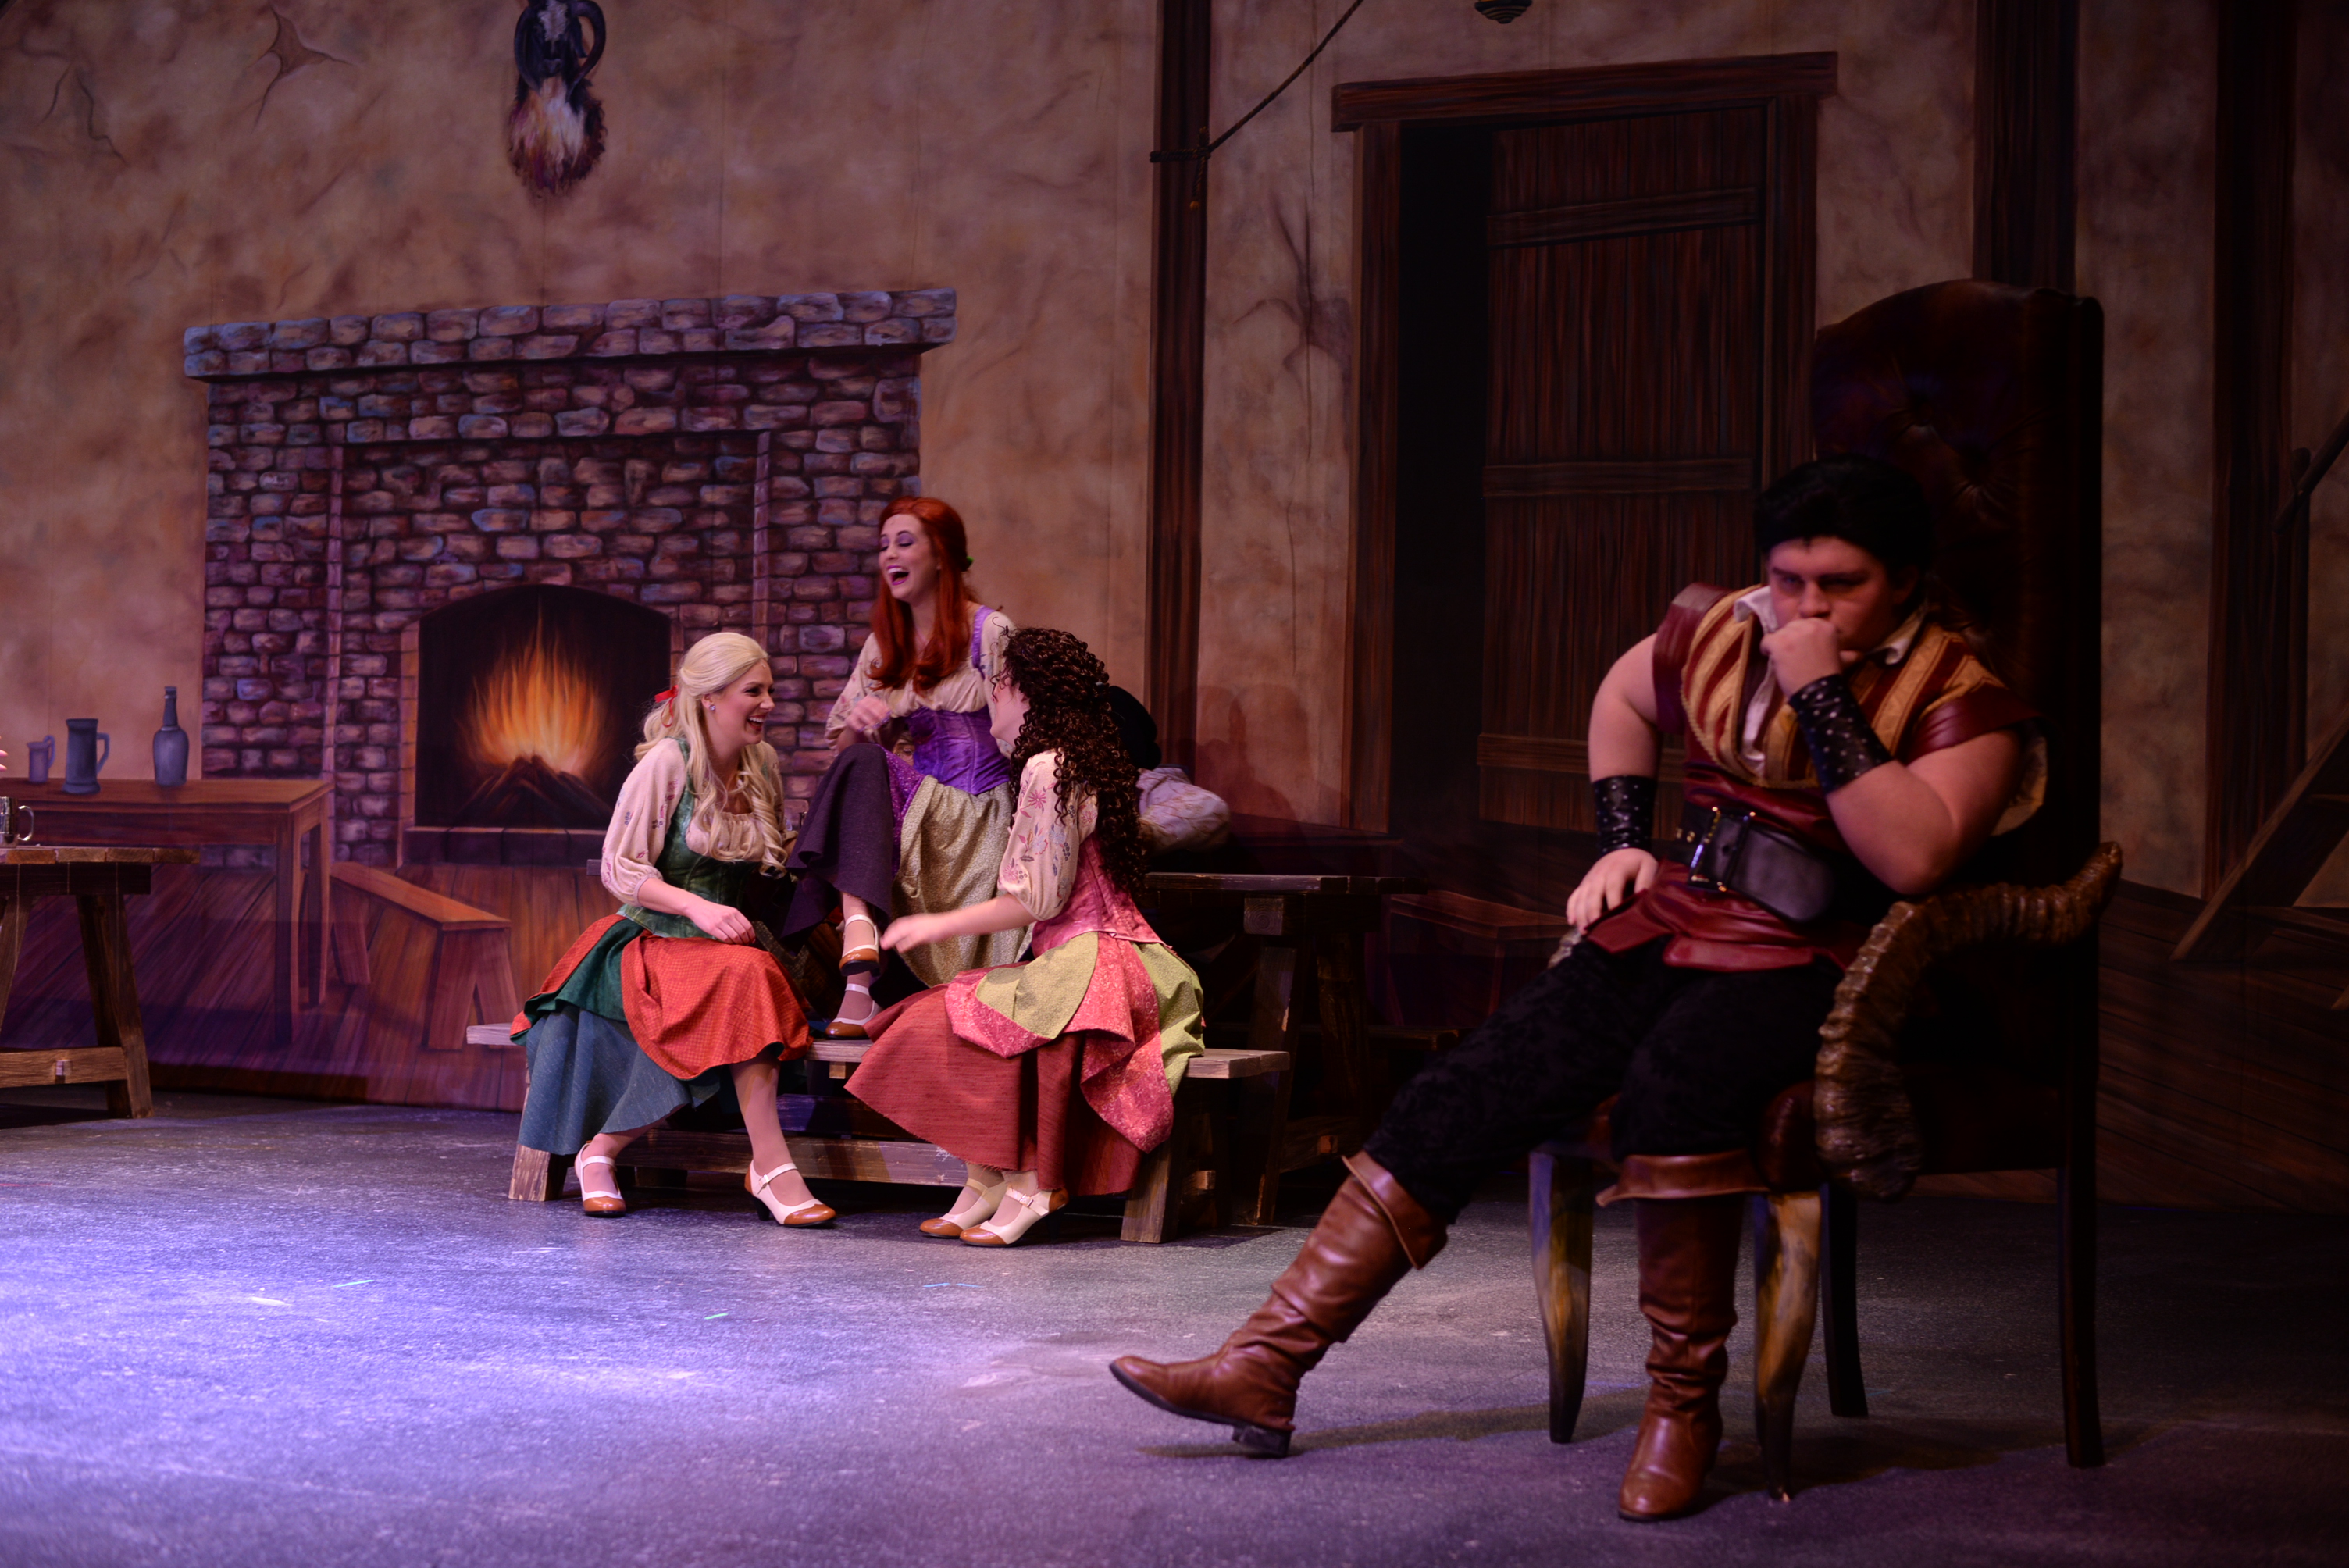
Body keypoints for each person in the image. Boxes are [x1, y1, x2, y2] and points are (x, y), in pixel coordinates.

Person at [1110, 454, 2045, 1520]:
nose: (1805, 606)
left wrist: (1821, 689)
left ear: (1906, 580)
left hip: (1830, 959)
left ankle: (1682, 1410)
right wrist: (1622, 840)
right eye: (1789, 579)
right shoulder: (1727, 627)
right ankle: (1266, 1362)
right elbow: (1622, 695)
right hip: (1685, 921)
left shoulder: (1964, 699)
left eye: (1840, 585)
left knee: (1676, 1090)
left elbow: (1912, 858)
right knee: (1470, 1085)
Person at [843, 628, 1207, 1246]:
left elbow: (1036, 901)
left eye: (997, 687)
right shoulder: (1073, 761)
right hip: (1128, 964)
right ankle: (986, 1177)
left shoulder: (1049, 767)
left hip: (1096, 967)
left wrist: (935, 923)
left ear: (1020, 691)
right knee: (945, 1014)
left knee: (952, 1021)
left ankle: (1032, 1178)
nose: (991, 701)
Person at [512, 630, 830, 1227]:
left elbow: (769, 867)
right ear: (710, 697)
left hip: (724, 950)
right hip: (654, 943)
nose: (768, 704)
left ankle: (601, 1152)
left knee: (751, 977)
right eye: (753, 691)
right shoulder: (668, 761)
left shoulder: (761, 762)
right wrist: (696, 908)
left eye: (769, 690)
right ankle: (770, 1167)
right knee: (749, 977)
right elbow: (620, 868)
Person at [783, 497, 1024, 1038]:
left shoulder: (989, 631)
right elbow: (846, 755)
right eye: (883, 545)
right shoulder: (882, 647)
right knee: (862, 758)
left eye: (905, 542)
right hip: (919, 813)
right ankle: (858, 960)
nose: (890, 554)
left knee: (868, 764)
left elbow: (1021, 736)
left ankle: (858, 964)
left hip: (980, 812)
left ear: (941, 555)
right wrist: (861, 725)